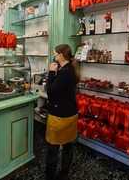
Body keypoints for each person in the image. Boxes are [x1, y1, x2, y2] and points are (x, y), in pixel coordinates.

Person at [45, 44, 80, 180]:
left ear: (61, 55)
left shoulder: (64, 72)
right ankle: (64, 173)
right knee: (68, 145)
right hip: (71, 114)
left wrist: (51, 73)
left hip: (60, 116)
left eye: (55, 54)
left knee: (53, 148)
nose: (54, 56)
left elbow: (51, 93)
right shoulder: (70, 68)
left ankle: (50, 176)